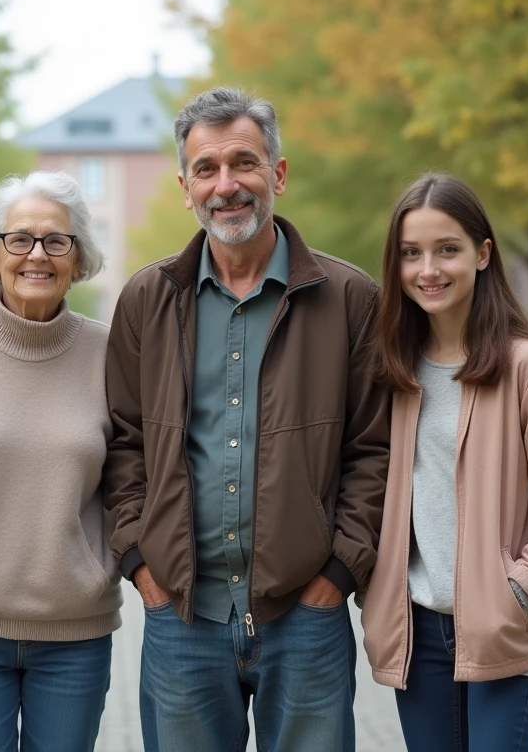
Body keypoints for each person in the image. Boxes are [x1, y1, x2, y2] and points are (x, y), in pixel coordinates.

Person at [104, 87, 390, 752]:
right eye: (206, 169)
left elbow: (375, 449)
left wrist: (339, 574)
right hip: (181, 615)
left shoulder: (349, 300)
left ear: (278, 175)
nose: (226, 185)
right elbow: (122, 443)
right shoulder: (148, 299)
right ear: (185, 187)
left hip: (306, 615)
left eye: (244, 163)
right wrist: (142, 566)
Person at [361, 172, 528, 752]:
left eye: (447, 250)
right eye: (411, 254)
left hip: (504, 632)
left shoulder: (525, 367)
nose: (428, 270)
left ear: (483, 254)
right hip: (417, 634)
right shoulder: (393, 370)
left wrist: (520, 592)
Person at [0, 170, 121, 751]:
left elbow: (132, 476)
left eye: (57, 241)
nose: (38, 254)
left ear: (79, 260)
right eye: (20, 239)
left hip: (76, 635)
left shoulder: (111, 354)